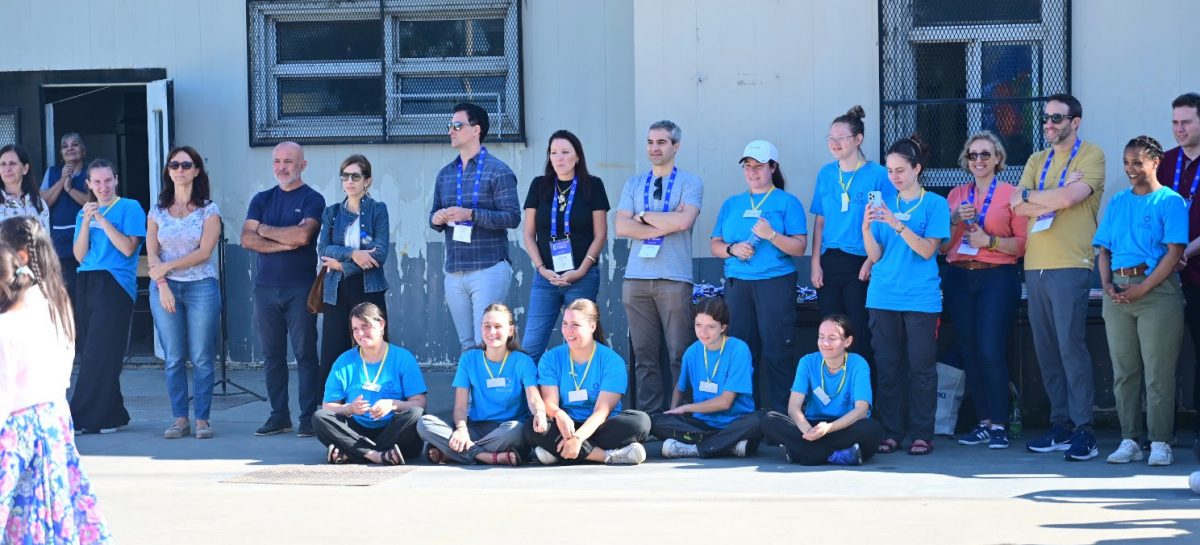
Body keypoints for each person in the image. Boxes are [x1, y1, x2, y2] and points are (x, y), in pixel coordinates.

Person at [0, 216, 111, 544]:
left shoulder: (12, 320)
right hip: (54, 417)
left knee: (24, 518)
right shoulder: (56, 302)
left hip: (18, 426)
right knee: (54, 510)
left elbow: (5, 390)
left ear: (19, 257)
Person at [1009, 94, 1106, 461]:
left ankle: (1085, 430)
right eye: (1045, 118)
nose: (1048, 123)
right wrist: (1052, 195)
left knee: (1071, 347)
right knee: (1047, 351)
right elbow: (1017, 205)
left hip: (1071, 263)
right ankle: (1061, 424)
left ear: (1075, 121)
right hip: (1035, 265)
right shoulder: (1037, 159)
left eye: (1056, 117)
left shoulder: (1091, 155)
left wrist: (1041, 196)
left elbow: (1070, 200)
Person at [1095, 136, 1187, 467]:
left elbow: (1174, 252)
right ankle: (1129, 439)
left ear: (1155, 162)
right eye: (1127, 162)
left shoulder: (1170, 201)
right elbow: (1103, 248)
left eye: (1138, 162)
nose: (1131, 168)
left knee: (1158, 371)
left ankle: (1160, 440)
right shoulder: (1118, 201)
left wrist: (1143, 288)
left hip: (1156, 292)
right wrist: (1107, 283)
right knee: (1124, 370)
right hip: (1118, 291)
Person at [863, 135, 950, 456]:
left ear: (917, 169)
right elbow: (875, 255)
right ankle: (891, 431)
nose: (894, 176)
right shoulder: (884, 205)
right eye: (889, 170)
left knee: (921, 368)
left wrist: (897, 224)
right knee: (887, 368)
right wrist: (866, 229)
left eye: (900, 170)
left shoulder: (935, 204)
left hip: (920, 299)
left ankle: (921, 433)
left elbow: (928, 250)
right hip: (882, 296)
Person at [943, 132, 1028, 450]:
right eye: (972, 155)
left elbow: (1022, 244)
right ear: (966, 161)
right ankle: (982, 422)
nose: (978, 160)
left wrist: (989, 241)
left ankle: (1000, 423)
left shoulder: (1011, 194)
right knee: (969, 351)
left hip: (997, 277)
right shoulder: (955, 194)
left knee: (991, 350)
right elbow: (943, 245)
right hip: (959, 276)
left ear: (997, 159)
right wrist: (954, 221)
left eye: (985, 155)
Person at [710, 140, 808, 413]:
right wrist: (732, 249)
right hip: (738, 285)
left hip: (775, 283)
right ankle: (744, 418)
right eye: (748, 167)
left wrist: (772, 235)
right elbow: (715, 244)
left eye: (759, 166)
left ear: (773, 167)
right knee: (742, 353)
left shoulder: (787, 202)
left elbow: (800, 248)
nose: (752, 172)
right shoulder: (732, 203)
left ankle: (779, 418)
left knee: (777, 352)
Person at [615, 120, 703, 413]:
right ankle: (650, 419)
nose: (655, 148)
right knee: (644, 355)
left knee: (680, 353)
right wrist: (661, 222)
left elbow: (683, 222)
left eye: (662, 142)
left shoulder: (690, 182)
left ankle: (680, 414)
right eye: (651, 142)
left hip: (674, 278)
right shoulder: (633, 183)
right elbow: (621, 226)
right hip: (636, 279)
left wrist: (641, 217)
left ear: (676, 146)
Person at [241, 141, 326, 437]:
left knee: (305, 354)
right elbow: (246, 239)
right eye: (277, 161)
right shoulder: (262, 199)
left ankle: (307, 418)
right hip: (265, 290)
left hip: (300, 289)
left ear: (302, 164)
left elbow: (303, 236)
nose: (281, 167)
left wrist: (263, 229)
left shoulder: (314, 198)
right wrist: (282, 240)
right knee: (272, 356)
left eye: (288, 161)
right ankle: (279, 416)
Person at [430, 102, 521, 353]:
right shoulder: (445, 174)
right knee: (467, 345)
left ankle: (491, 392)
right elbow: (432, 216)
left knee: (487, 342)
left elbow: (512, 217)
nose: (451, 130)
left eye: (457, 125)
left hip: (488, 267)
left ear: (476, 130)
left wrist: (472, 214)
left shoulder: (498, 171)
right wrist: (437, 218)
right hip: (454, 271)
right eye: (450, 125)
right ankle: (468, 394)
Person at [147, 146, 223, 440]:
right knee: (173, 357)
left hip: (201, 286)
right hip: (165, 289)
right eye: (174, 165)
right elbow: (152, 253)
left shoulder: (209, 210)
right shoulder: (157, 211)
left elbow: (204, 252)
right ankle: (180, 418)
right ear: (168, 171)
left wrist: (166, 267)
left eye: (186, 165)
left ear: (196, 170)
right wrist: (163, 283)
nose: (180, 169)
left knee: (203, 356)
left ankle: (202, 418)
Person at [810, 107, 894, 367]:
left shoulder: (878, 175)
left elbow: (882, 223)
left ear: (858, 139)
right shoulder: (826, 173)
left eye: (841, 138)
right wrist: (815, 263)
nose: (834, 143)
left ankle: (863, 400)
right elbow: (820, 221)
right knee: (830, 334)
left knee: (857, 332)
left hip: (861, 262)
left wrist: (871, 260)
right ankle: (835, 397)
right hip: (830, 261)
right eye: (830, 138)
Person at [523, 298, 651, 465]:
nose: (568, 331)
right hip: (565, 426)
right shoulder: (550, 358)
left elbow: (601, 412)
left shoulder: (612, 361)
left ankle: (560, 452)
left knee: (640, 422)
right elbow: (549, 404)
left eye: (575, 325)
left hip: (599, 425)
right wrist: (559, 414)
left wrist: (578, 438)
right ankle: (608, 456)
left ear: (592, 326)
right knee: (530, 428)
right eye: (565, 323)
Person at [70, 159, 146, 434]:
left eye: (107, 180)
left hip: (115, 281)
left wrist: (102, 219)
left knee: (99, 351)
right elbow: (79, 255)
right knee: (91, 348)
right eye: (97, 182)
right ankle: (111, 414)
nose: (103, 187)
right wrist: (88, 219)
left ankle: (83, 416)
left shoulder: (129, 207)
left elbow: (127, 248)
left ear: (116, 180)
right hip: (87, 279)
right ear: (88, 184)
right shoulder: (84, 212)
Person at [417, 303, 546, 465]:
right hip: (475, 428)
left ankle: (456, 452)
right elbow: (460, 407)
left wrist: (540, 413)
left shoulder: (523, 361)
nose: (492, 332)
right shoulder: (468, 359)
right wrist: (462, 430)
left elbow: (533, 397)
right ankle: (486, 456)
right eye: (487, 326)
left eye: (498, 326)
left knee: (515, 430)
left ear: (510, 331)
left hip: (505, 431)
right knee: (424, 423)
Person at [520, 130, 609, 363]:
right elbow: (528, 234)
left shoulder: (593, 185)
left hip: (582, 276)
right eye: (554, 152)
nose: (559, 158)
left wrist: (580, 271)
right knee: (531, 345)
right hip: (545, 277)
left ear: (577, 156)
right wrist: (541, 269)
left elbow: (600, 235)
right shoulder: (539, 186)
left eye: (565, 152)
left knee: (580, 342)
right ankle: (526, 398)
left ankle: (581, 395)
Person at [761, 315, 883, 465]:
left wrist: (828, 429)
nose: (825, 343)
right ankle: (835, 456)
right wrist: (808, 431)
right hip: (812, 424)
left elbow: (861, 410)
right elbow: (793, 408)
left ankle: (803, 453)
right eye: (821, 337)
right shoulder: (807, 361)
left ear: (848, 341)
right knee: (769, 419)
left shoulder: (858, 363)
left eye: (832, 338)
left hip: (844, 425)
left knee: (872, 430)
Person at [650, 297, 762, 459]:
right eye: (698, 325)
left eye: (710, 327)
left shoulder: (739, 349)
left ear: (723, 327)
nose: (703, 332)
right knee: (656, 421)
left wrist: (686, 408)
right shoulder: (692, 351)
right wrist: (674, 412)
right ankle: (726, 446)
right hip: (702, 425)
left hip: (735, 423)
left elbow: (725, 402)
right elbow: (680, 388)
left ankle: (695, 448)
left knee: (758, 421)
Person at [315, 303, 426, 465]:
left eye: (365, 326)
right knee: (320, 417)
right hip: (357, 428)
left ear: (381, 325)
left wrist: (392, 404)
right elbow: (328, 406)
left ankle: (352, 451)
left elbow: (420, 403)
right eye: (355, 329)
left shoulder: (403, 358)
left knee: (415, 414)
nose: (360, 334)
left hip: (392, 429)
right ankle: (377, 455)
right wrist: (348, 408)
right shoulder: (344, 360)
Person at [317, 154, 389, 383]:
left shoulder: (378, 210)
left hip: (369, 287)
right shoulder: (332, 212)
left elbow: (379, 254)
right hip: (335, 289)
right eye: (345, 176)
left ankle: (379, 396)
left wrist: (341, 265)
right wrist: (353, 254)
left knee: (372, 343)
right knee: (333, 347)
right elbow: (323, 249)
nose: (349, 181)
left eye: (355, 176)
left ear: (367, 180)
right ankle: (331, 405)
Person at [1160, 92, 1200, 460]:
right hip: (1165, 278)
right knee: (1162, 357)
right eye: (1174, 122)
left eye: (1186, 122)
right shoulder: (1164, 163)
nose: (1179, 129)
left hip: (1195, 272)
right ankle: (1161, 434)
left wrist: (1183, 252)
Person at [39, 133, 89, 296]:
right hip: (59, 244)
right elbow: (43, 203)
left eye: (74, 145)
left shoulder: (90, 172)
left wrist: (70, 189)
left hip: (88, 244)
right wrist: (62, 180)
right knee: (65, 297)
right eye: (65, 146)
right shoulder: (52, 172)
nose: (70, 149)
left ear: (83, 150)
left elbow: (93, 203)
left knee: (85, 296)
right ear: (61, 153)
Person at [1, 144, 49, 229]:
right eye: (3, 164)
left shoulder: (39, 204)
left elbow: (46, 239)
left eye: (12, 163)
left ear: (25, 169)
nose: (7, 169)